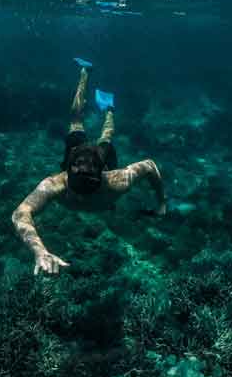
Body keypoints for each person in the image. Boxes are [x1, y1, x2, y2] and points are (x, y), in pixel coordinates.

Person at [11, 59, 167, 276]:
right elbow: (20, 213)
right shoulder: (56, 184)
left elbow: (150, 165)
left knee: (105, 134)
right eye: (78, 183)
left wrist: (161, 202)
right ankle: (85, 73)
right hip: (80, 156)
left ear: (101, 174)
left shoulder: (115, 180)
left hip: (97, 160)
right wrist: (40, 251)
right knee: (76, 118)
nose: (82, 194)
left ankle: (109, 108)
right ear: (67, 172)